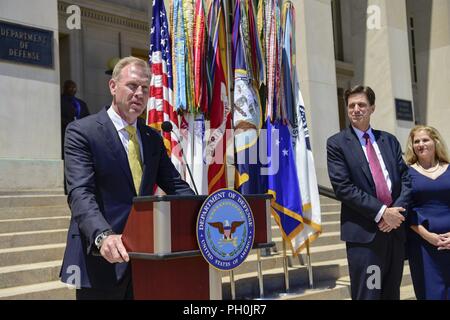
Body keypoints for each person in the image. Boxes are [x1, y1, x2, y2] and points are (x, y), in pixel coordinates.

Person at [59, 56, 195, 300]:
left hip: (146, 258)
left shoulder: (152, 138)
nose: (139, 93)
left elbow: (176, 186)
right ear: (113, 86)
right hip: (102, 258)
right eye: (132, 86)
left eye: (145, 88)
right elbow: (80, 193)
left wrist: (204, 211)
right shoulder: (82, 132)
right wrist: (103, 236)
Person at [326, 85, 411, 300]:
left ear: (372, 108)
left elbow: (406, 180)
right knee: (369, 294)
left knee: (391, 293)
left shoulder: (389, 140)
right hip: (365, 237)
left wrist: (396, 215)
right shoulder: (337, 144)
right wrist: (383, 212)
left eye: (361, 104)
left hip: (394, 234)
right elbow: (343, 187)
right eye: (351, 105)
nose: (356, 109)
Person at [404, 125, 450, 299]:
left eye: (425, 140)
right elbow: (406, 210)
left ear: (435, 142)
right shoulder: (406, 173)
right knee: (430, 293)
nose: (421, 144)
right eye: (416, 141)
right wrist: (428, 236)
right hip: (422, 245)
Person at [60, 80, 90, 157]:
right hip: (65, 134)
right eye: (70, 87)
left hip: (80, 135)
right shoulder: (59, 101)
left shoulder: (81, 103)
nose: (73, 89)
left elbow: (87, 118)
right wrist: (71, 124)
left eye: (74, 87)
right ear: (65, 88)